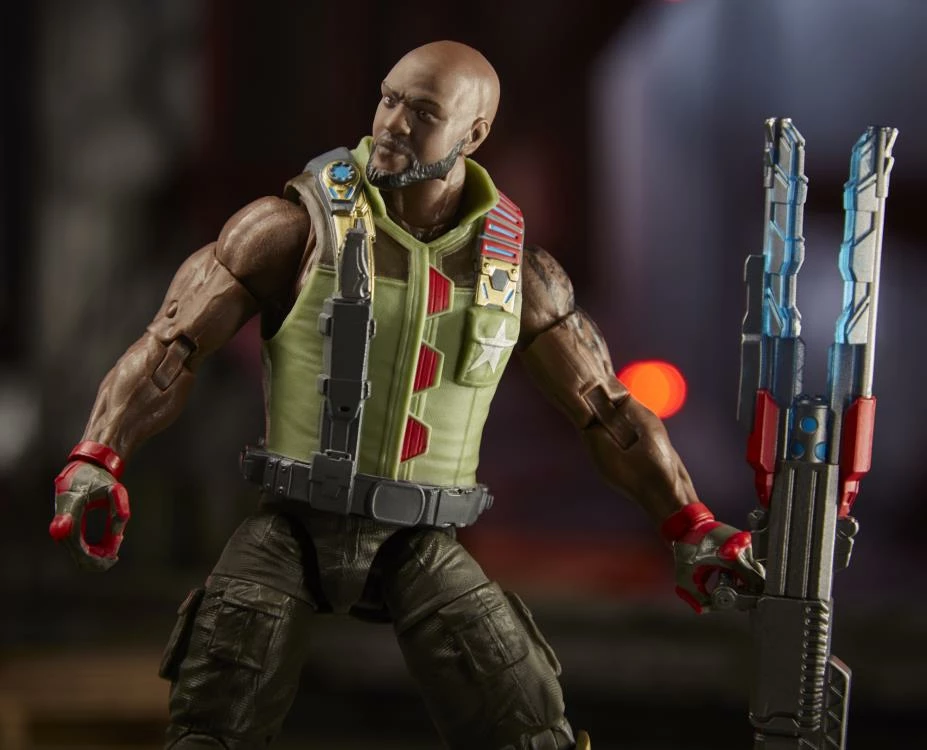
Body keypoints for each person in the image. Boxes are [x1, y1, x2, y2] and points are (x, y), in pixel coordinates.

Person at [50, 40, 763, 750]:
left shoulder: (516, 271)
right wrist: (96, 457)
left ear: (472, 134)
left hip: (420, 540)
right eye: (388, 99)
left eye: (423, 112)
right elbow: (170, 348)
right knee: (211, 723)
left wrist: (689, 523)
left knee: (528, 727)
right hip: (293, 526)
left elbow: (606, 412)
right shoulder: (291, 227)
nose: (391, 123)